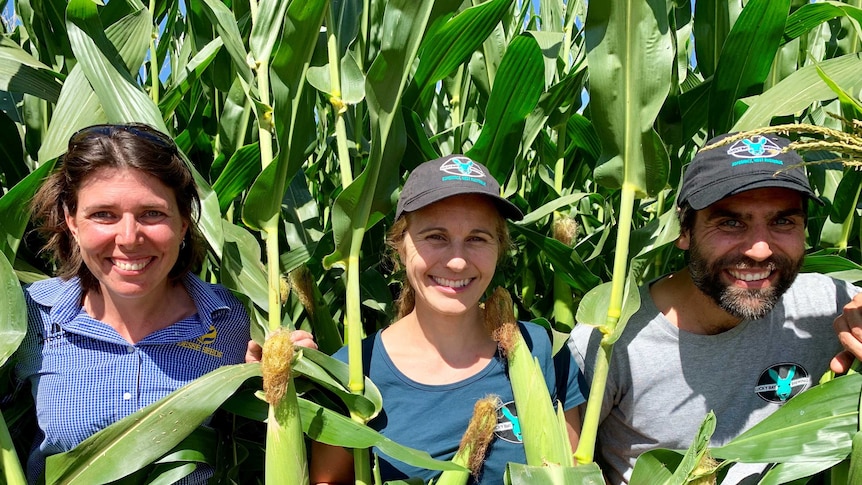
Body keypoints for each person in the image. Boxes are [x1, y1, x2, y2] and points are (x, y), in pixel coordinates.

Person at [15, 123, 315, 483]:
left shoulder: (233, 321)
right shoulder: (26, 318)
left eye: (152, 213)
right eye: (103, 215)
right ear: (71, 221)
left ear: (184, 222)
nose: (129, 238)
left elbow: (252, 442)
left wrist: (288, 380)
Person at [569, 132, 862, 484]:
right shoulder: (609, 344)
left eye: (783, 222)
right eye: (730, 222)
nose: (759, 250)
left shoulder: (826, 306)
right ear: (684, 230)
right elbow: (559, 469)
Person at [309, 155, 586, 484]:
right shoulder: (353, 372)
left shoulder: (543, 351)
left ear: (500, 248)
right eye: (436, 237)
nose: (457, 261)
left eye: (477, 238)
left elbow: (572, 474)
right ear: (400, 247)